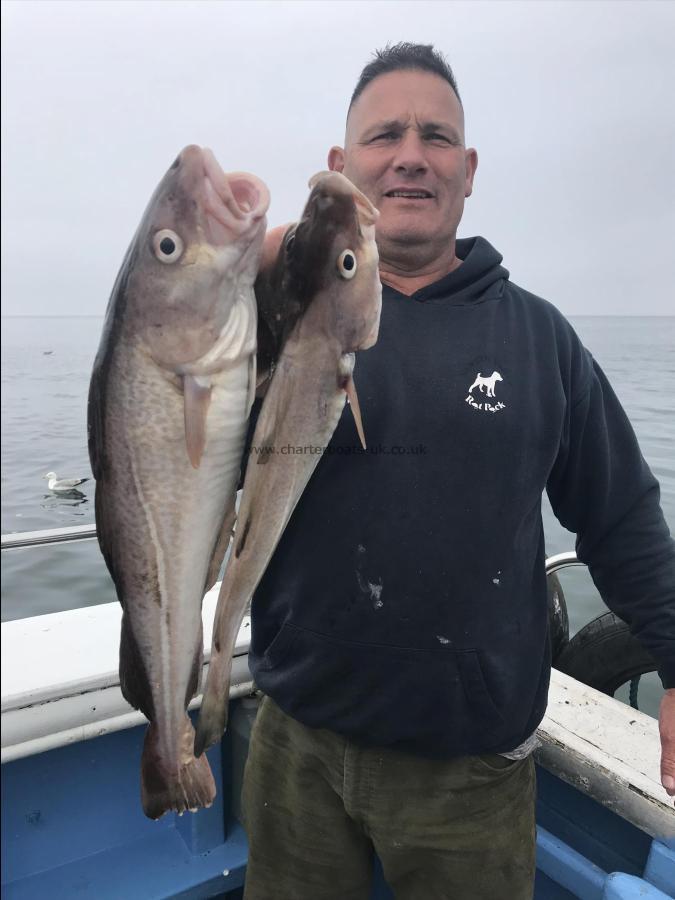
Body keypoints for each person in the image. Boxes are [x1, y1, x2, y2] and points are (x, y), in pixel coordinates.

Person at [240, 43, 675, 900]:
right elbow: (166, 432)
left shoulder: (539, 340)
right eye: (384, 136)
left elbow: (620, 515)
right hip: (294, 738)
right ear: (339, 168)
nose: (410, 154)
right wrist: (235, 279)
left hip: (467, 772)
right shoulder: (276, 318)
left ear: (467, 170)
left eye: (435, 136)